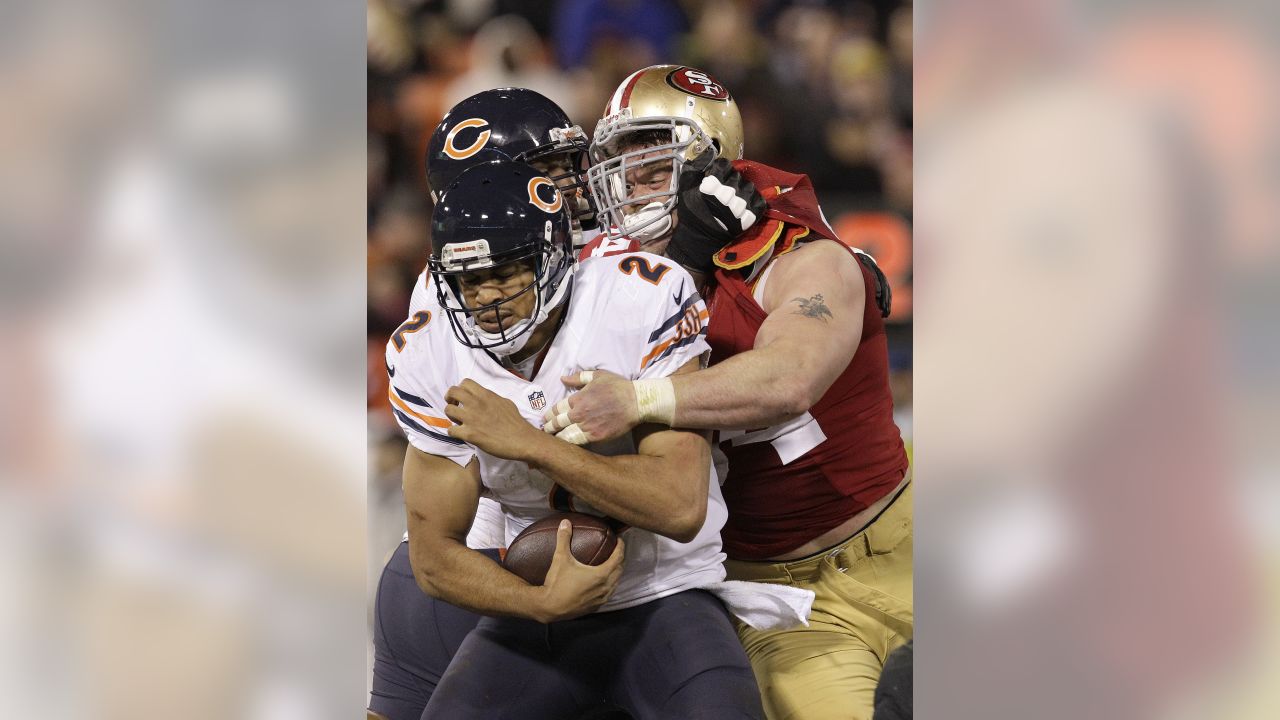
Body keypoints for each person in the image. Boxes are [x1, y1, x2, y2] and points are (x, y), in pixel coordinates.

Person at [543, 65, 911, 720]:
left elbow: (788, 379)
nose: (630, 192)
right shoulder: (602, 279)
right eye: (618, 170)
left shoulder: (797, 254)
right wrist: (680, 270)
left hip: (902, 539)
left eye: (652, 169)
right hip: (785, 601)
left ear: (707, 162)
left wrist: (638, 398)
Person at [388, 159, 772, 719]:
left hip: (664, 592)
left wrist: (532, 444)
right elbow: (432, 556)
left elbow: (678, 504)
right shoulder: (430, 350)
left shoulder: (640, 299)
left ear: (554, 255)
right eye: (469, 280)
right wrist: (537, 601)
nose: (487, 298)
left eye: (506, 272)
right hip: (536, 606)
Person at [369, 87, 601, 720]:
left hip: (495, 558)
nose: (572, 188)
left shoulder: (575, 263)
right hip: (494, 565)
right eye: (548, 175)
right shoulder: (454, 321)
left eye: (566, 168)